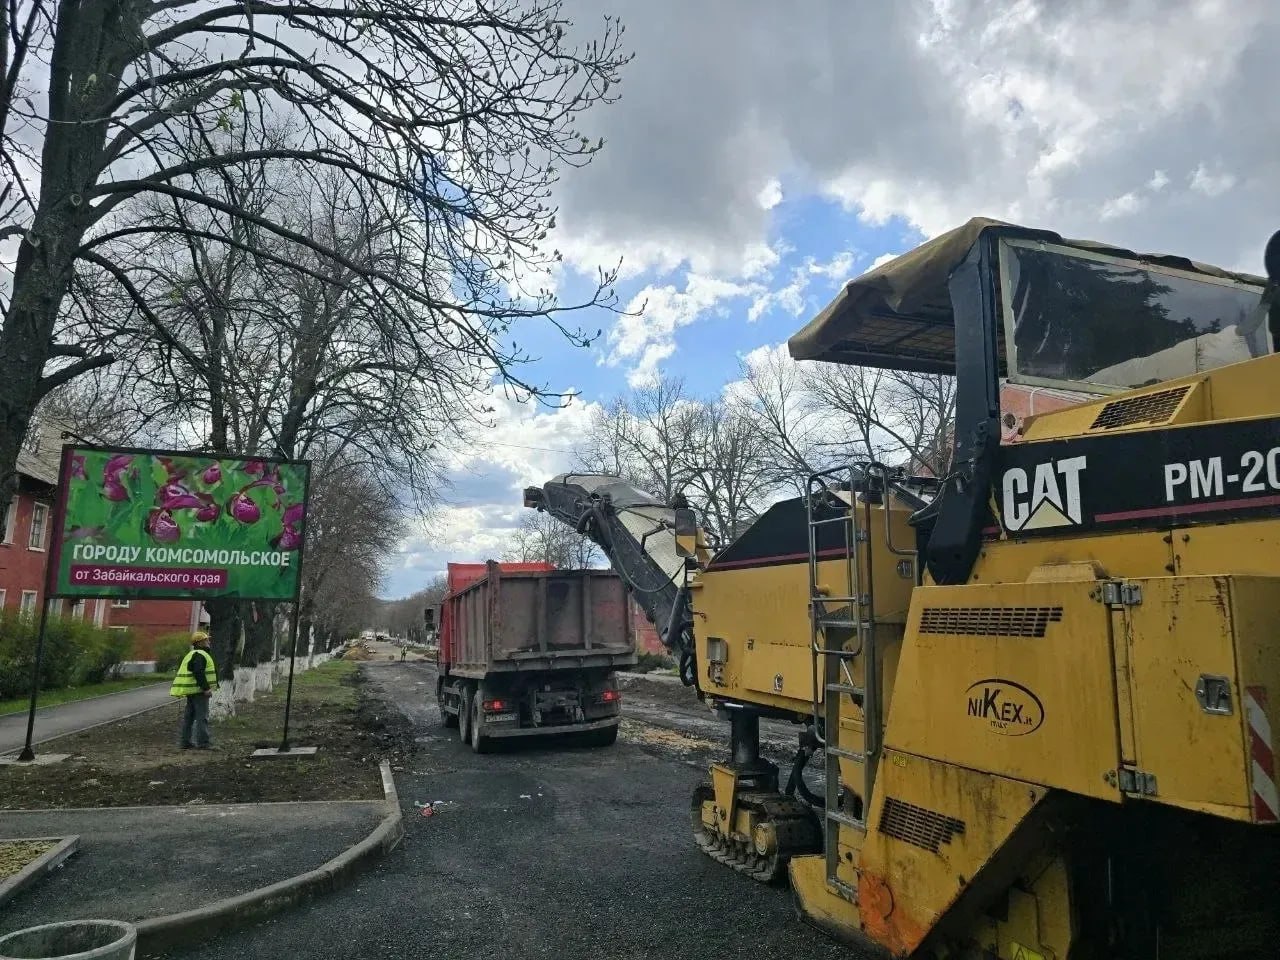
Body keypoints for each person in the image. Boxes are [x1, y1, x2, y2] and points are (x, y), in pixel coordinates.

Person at [170, 632, 219, 750]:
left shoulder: (192, 654)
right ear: (200, 643)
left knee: (189, 717)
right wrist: (206, 688)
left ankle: (185, 742)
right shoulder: (200, 655)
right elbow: (198, 672)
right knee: (202, 717)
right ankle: (203, 743)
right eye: (206, 640)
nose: (209, 642)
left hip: (191, 691)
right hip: (199, 691)